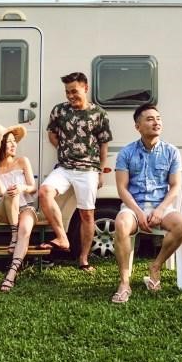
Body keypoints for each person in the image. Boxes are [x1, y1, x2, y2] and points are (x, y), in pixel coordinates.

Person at [110, 103, 182, 303]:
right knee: (121, 224)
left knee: (181, 225)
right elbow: (122, 188)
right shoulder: (126, 152)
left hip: (161, 206)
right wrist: (138, 212)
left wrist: (161, 209)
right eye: (150, 119)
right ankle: (124, 282)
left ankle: (155, 266)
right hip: (133, 207)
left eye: (158, 118)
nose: (156, 122)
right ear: (138, 126)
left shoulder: (171, 151)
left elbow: (175, 186)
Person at [38, 72, 113, 272]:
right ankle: (62, 237)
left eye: (74, 91)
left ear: (85, 88)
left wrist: (100, 172)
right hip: (64, 168)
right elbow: (52, 134)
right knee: (44, 192)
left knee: (87, 215)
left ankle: (83, 259)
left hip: (88, 170)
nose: (70, 96)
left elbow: (103, 145)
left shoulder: (99, 114)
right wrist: (65, 149)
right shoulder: (59, 110)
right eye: (67, 92)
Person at [0, 124, 38, 292]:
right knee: (9, 193)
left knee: (25, 231)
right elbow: (0, 192)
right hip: (3, 211)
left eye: (14, 141)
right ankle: (14, 233)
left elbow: (33, 187)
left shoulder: (22, 161)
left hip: (25, 207)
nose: (14, 144)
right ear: (0, 146)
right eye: (9, 141)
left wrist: (22, 188)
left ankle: (11, 274)